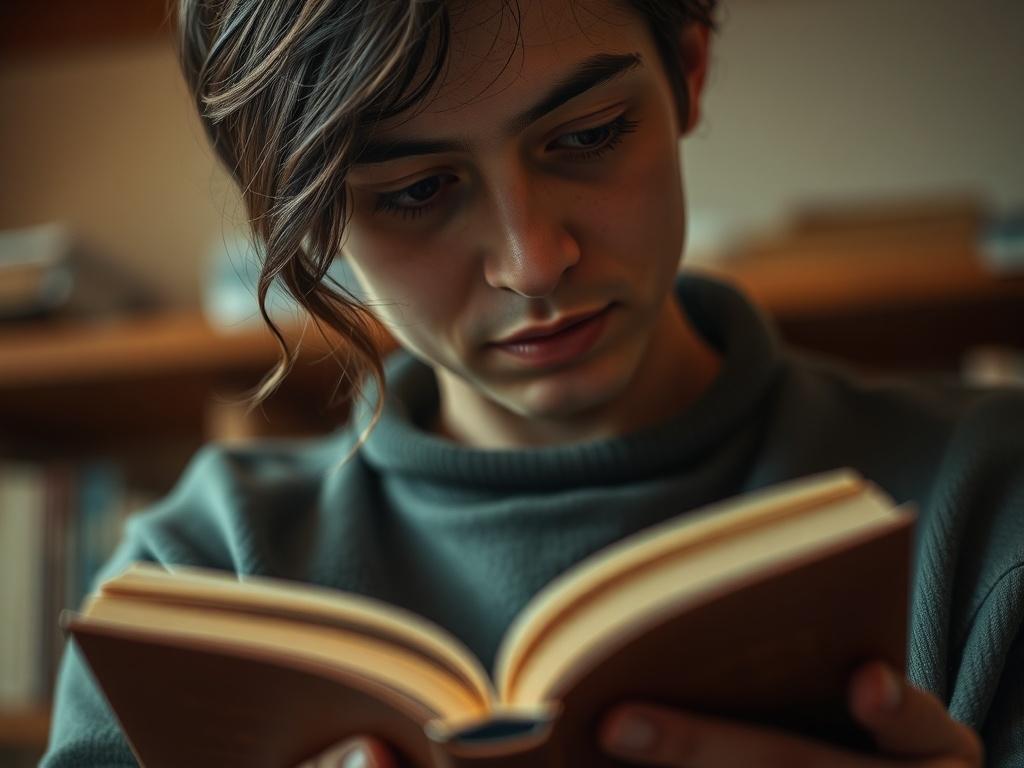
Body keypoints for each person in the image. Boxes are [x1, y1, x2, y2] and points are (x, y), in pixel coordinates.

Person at [42, 0, 1022, 766]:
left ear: (687, 71)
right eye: (417, 191)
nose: (533, 262)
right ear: (308, 218)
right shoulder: (195, 585)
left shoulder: (989, 500)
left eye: (588, 134)